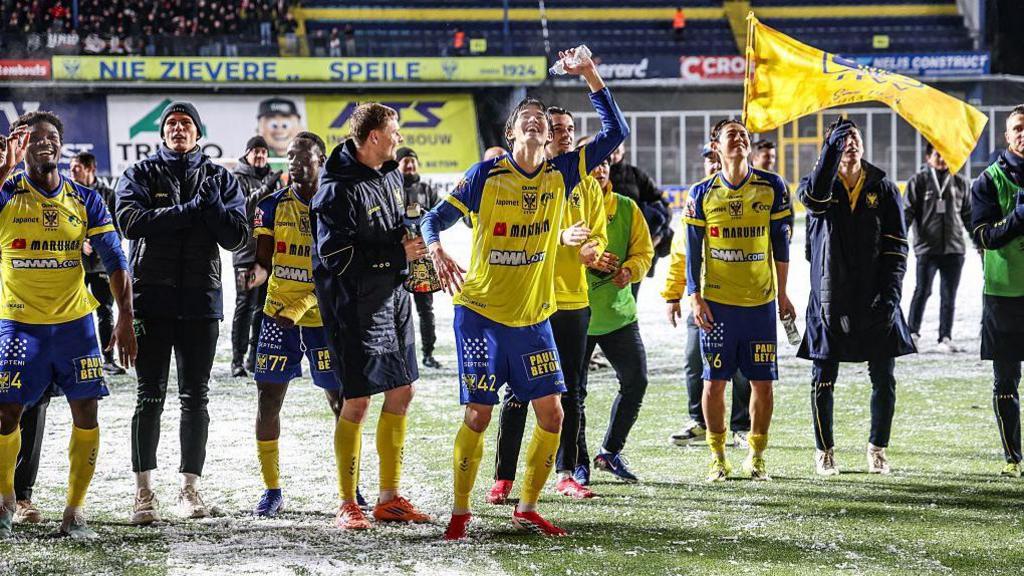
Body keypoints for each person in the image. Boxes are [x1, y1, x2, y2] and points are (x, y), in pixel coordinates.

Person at [422, 47, 627, 539]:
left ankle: (528, 506)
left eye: (540, 118)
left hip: (533, 317)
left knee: (554, 412)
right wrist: (436, 251)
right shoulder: (484, 176)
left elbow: (616, 133)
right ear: (511, 134)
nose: (535, 122)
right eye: (526, 119)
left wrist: (589, 73)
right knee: (479, 411)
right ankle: (459, 511)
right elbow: (432, 219)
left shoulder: (564, 172)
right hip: (481, 314)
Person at [0, 113, 137, 539]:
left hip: (75, 326)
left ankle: (75, 511)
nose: (46, 143)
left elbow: (115, 258)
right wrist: (2, 171)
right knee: (6, 414)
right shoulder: (6, 193)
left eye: (53, 137)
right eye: (36, 137)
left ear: (62, 145)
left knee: (88, 412)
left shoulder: (85, 198)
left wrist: (127, 318)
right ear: (22, 146)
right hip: (19, 325)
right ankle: (5, 501)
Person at [116, 101, 249, 523]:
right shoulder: (139, 174)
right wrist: (192, 212)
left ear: (198, 132)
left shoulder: (220, 178)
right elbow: (130, 222)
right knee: (148, 395)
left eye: (185, 123)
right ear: (162, 133)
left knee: (196, 396)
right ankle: (144, 492)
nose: (178, 129)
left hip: (200, 300)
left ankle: (190, 489)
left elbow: (236, 237)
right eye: (171, 123)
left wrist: (213, 211)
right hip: (152, 300)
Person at [311, 103, 429, 530]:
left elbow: (396, 226)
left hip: (393, 299)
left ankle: (388, 498)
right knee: (357, 401)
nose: (398, 137)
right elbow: (336, 257)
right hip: (354, 307)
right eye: (394, 130)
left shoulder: (392, 173)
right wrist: (395, 254)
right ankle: (347, 502)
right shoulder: (335, 190)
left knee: (402, 392)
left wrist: (412, 243)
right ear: (374, 137)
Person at [488, 106, 610, 504]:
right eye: (558, 129)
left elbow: (598, 237)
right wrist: (560, 237)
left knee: (571, 391)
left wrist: (592, 249)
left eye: (571, 130)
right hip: (529, 299)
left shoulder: (587, 185)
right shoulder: (530, 179)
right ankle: (503, 477)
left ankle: (567, 472)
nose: (565, 136)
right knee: (519, 390)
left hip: (573, 300)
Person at [797, 117, 916, 476]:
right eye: (842, 139)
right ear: (831, 146)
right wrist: (829, 152)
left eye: (855, 138)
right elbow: (814, 199)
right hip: (829, 297)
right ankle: (825, 451)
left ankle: (878, 449)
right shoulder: (817, 184)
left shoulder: (883, 186)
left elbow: (897, 247)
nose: (851, 143)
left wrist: (891, 296)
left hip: (876, 297)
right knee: (822, 379)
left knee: (884, 378)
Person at [242, 131, 346, 517]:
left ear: (321, 160)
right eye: (290, 158)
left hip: (323, 317)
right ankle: (272, 489)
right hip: (278, 315)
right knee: (269, 399)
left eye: (304, 157)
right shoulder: (269, 206)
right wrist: (255, 273)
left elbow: (338, 272)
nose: (296, 164)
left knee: (340, 402)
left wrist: (304, 303)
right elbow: (264, 261)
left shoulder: (335, 207)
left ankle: (349, 489)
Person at [685, 119, 793, 482]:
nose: (740, 139)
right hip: (717, 305)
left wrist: (784, 293)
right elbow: (692, 251)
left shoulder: (772, 186)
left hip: (759, 305)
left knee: (763, 383)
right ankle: (717, 456)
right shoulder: (700, 193)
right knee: (714, 383)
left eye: (743, 135)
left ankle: (756, 455)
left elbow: (781, 245)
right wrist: (694, 296)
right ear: (715, 145)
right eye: (732, 135)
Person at [667, 143, 752, 449]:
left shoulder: (748, 194)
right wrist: (672, 294)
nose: (715, 165)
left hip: (741, 297)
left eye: (719, 159)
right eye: (710, 161)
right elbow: (681, 252)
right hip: (700, 299)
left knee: (742, 366)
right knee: (694, 360)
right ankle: (699, 422)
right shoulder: (697, 196)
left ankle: (742, 426)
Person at [576, 155, 653, 483]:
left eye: (605, 161)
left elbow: (644, 252)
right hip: (576, 314)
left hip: (619, 315)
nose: (601, 166)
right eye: (593, 161)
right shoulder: (567, 207)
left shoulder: (626, 207)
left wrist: (629, 270)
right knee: (573, 393)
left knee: (636, 381)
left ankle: (610, 451)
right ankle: (577, 462)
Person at [970, 104, 1024, 477]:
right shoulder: (988, 181)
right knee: (1006, 381)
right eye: (1018, 128)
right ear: (1007, 136)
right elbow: (985, 237)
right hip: (1005, 295)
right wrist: (1019, 217)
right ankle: (1014, 458)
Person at [904, 142, 972, 353]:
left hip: (954, 249)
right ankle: (912, 334)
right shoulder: (918, 181)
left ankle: (945, 336)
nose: (941, 159)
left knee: (948, 295)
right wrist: (898, 240)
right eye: (937, 155)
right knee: (922, 291)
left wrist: (980, 242)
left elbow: (969, 216)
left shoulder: (960, 182)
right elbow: (907, 213)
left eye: (945, 155)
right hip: (927, 249)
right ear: (928, 158)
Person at [231, 136, 283, 377]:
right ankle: (237, 360)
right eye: (256, 151)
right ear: (247, 153)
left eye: (264, 152)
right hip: (246, 255)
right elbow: (244, 209)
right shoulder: (238, 179)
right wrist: (266, 189)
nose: (261, 155)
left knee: (263, 308)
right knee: (245, 305)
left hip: (269, 256)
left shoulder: (273, 179)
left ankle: (255, 357)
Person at [68, 152, 124, 376]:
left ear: (90, 168)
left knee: (105, 312)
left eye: (77, 168)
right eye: (71, 168)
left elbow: (118, 230)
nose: (72, 172)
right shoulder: (65, 194)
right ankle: (77, 361)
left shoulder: (108, 195)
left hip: (102, 266)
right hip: (75, 265)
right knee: (75, 314)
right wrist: (79, 242)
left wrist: (99, 245)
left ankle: (108, 359)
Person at [396, 146, 443, 369]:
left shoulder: (427, 189)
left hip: (424, 262)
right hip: (398, 260)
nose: (410, 165)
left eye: (412, 161)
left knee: (426, 309)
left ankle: (428, 353)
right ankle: (401, 355)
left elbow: (440, 218)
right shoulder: (391, 188)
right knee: (398, 311)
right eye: (405, 161)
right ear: (397, 164)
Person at [609, 143, 672, 299]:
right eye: (611, 150)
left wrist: (656, 234)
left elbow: (661, 203)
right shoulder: (597, 173)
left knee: (630, 296)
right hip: (607, 245)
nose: (613, 155)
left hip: (633, 246)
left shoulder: (636, 175)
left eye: (617, 150)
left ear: (624, 151)